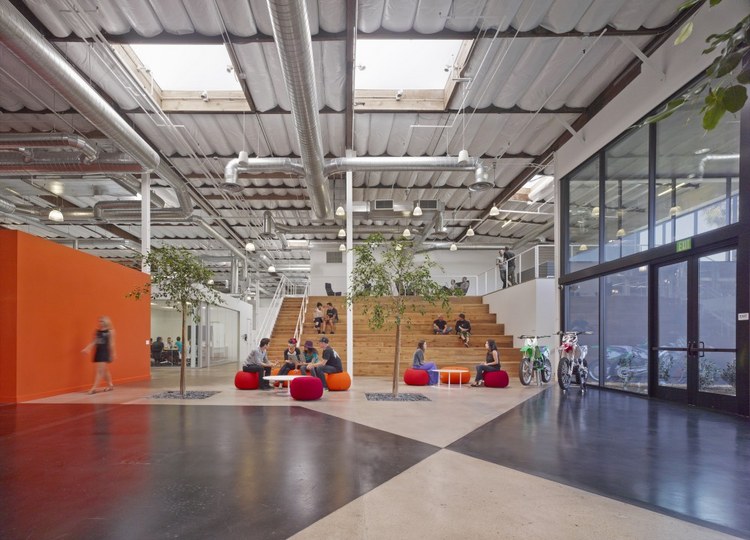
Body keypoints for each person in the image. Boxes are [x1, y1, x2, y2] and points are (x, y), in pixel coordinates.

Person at [81, 315, 115, 394]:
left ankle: (94, 388)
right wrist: (87, 348)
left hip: (105, 352)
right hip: (98, 351)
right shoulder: (97, 331)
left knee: (99, 371)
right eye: (99, 321)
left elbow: (112, 344)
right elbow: (94, 342)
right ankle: (110, 385)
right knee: (105, 370)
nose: (100, 323)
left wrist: (113, 354)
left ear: (106, 322)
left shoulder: (110, 331)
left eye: (102, 321)